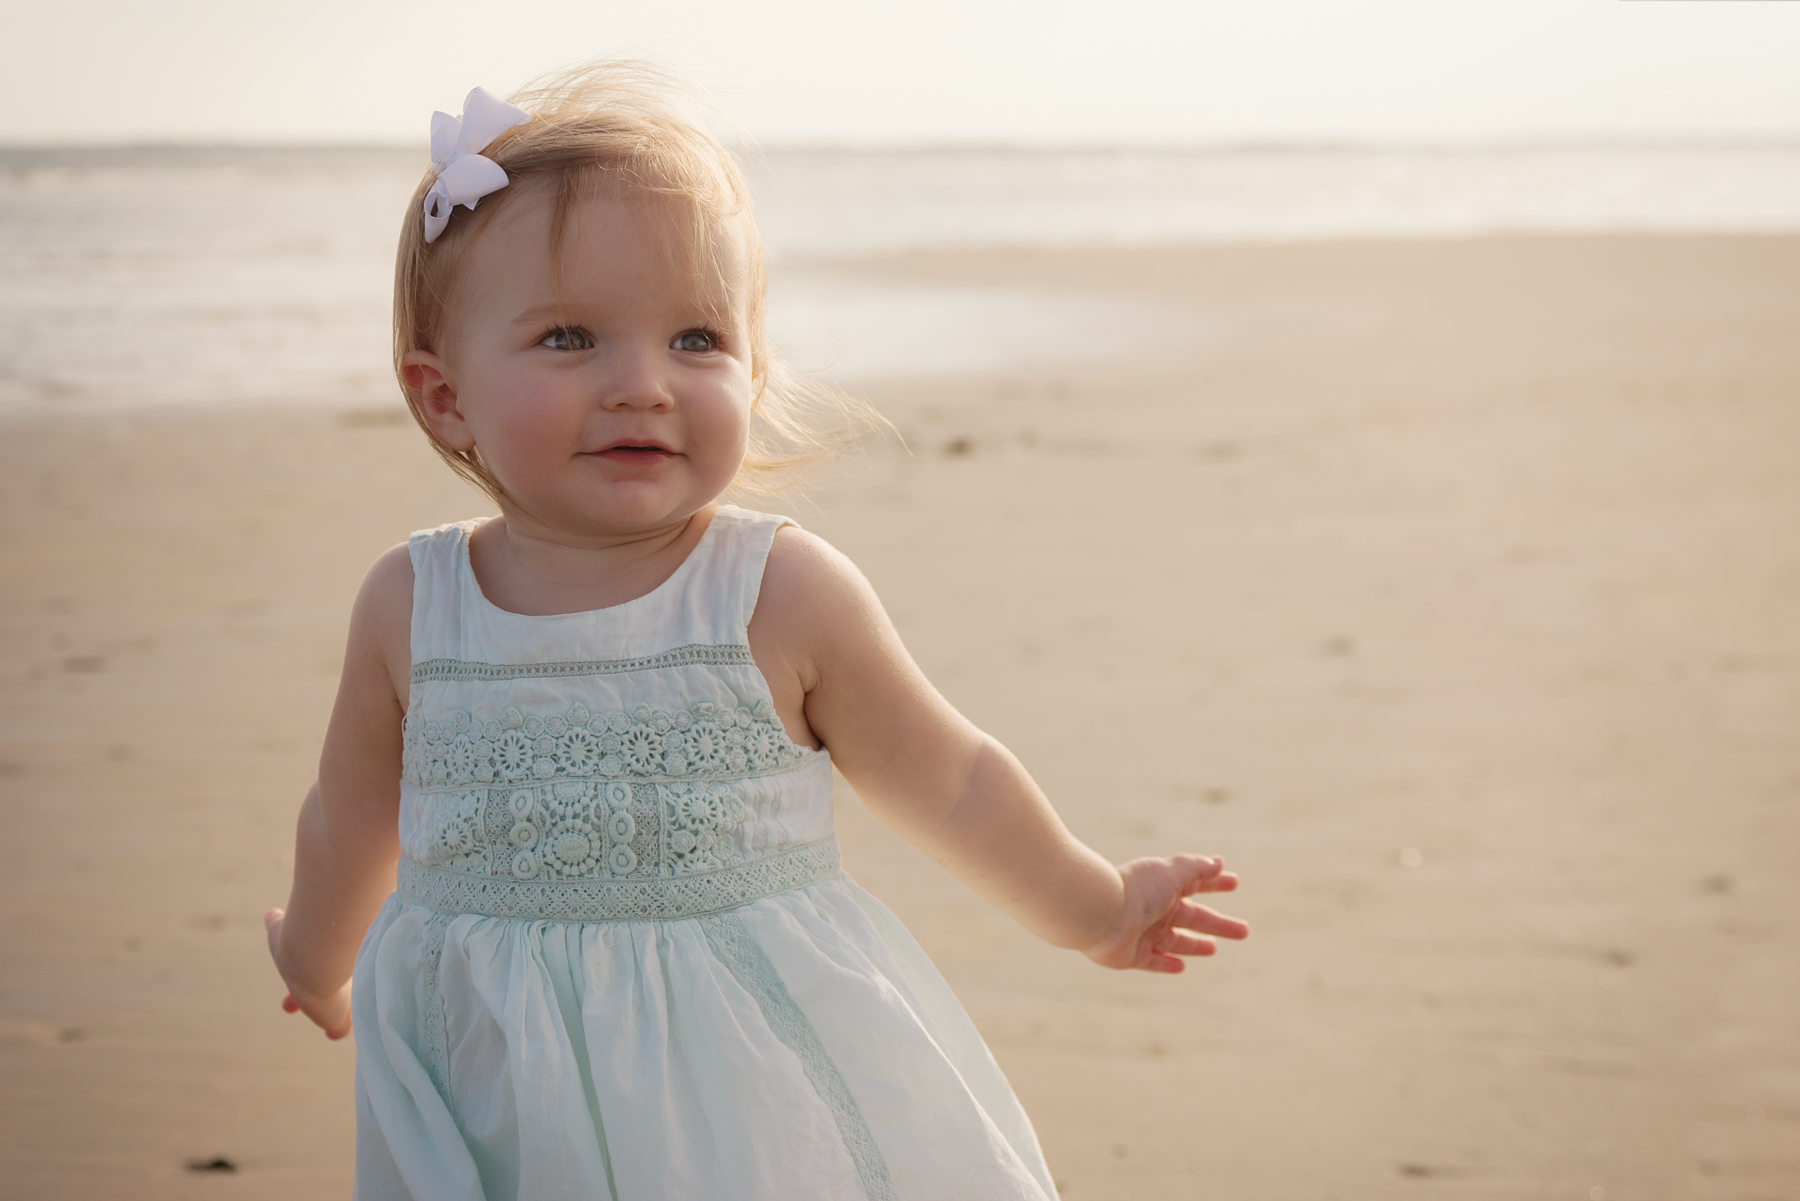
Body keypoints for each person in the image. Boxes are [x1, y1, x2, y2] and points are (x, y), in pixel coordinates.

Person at [264, 62, 1248, 1201]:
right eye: (571, 338)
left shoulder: (775, 593)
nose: (644, 384)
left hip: (750, 1077)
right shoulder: (412, 604)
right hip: (496, 1074)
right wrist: (316, 959)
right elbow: (351, 816)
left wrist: (1099, 907)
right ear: (444, 395)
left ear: (752, 366)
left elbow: (955, 781)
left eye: (696, 340)